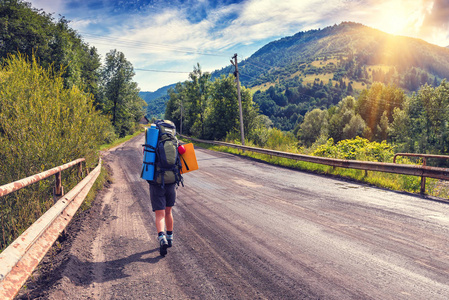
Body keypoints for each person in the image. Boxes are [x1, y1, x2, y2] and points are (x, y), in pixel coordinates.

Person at [149, 182, 176, 256]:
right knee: (168, 212)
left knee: (160, 215)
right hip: (171, 185)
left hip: (156, 186)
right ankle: (169, 238)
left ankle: (162, 238)